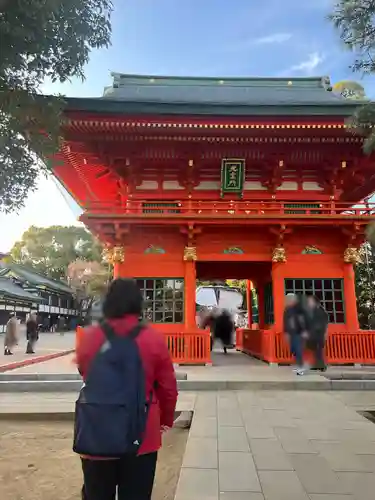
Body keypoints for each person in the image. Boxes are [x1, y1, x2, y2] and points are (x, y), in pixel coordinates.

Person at [75, 278, 178, 500]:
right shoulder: (153, 338)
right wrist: (165, 420)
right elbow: (168, 388)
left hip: (97, 430)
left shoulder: (90, 337)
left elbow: (85, 373)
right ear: (137, 303)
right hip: (141, 433)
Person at [283, 294, 308, 375]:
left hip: (298, 332)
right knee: (293, 349)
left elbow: (303, 320)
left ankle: (301, 367)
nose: (287, 300)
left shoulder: (299, 308)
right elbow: (285, 322)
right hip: (291, 333)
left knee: (298, 349)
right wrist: (286, 332)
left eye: (289, 299)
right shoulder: (287, 309)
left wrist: (304, 330)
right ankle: (299, 365)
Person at [305, 295, 329, 372]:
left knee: (318, 350)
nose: (309, 303)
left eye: (310, 302)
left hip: (319, 333)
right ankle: (317, 365)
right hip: (314, 333)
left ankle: (322, 365)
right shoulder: (313, 311)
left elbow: (323, 323)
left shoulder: (321, 311)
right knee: (315, 350)